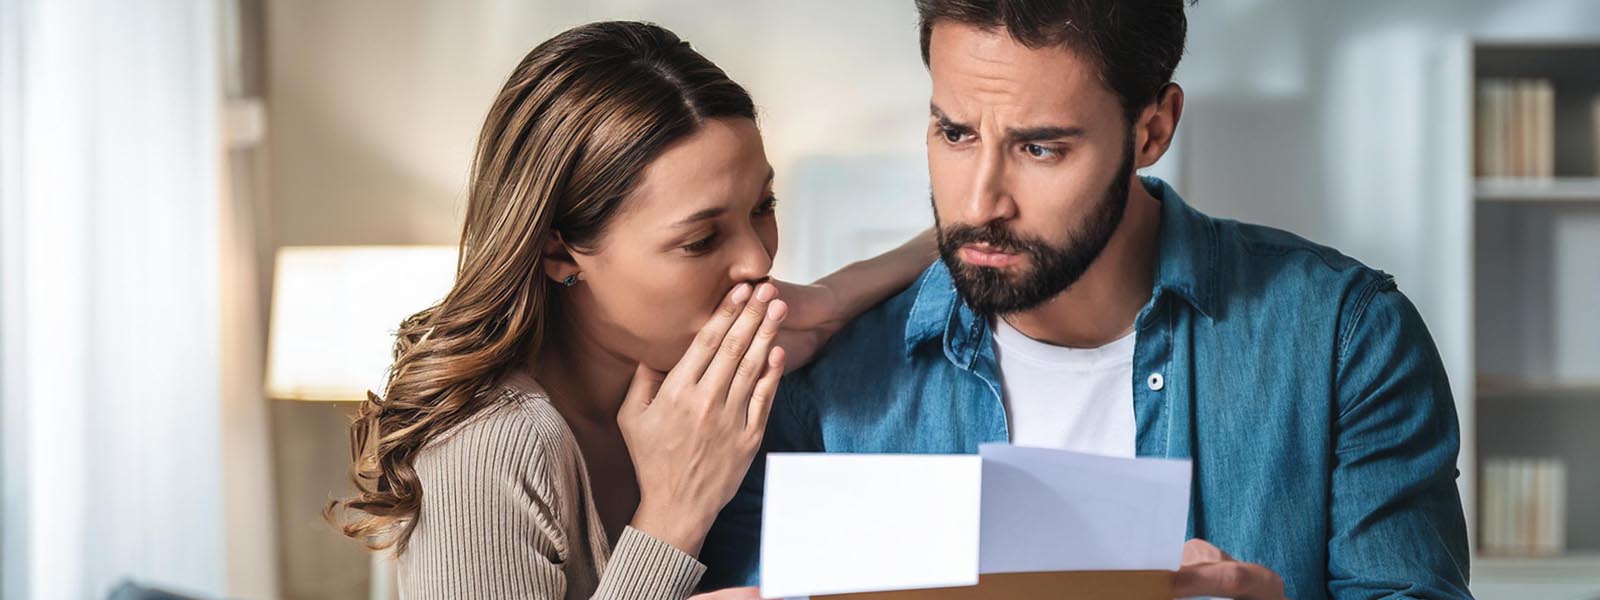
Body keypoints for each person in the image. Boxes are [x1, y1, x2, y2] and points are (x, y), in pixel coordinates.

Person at [702, 1, 1471, 599]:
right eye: (955, 133)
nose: (981, 201)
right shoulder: (823, 378)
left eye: (1041, 148)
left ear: (1152, 129)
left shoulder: (1345, 340)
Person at [326, 21, 934, 599]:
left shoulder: (696, 377)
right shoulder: (491, 450)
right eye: (699, 240)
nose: (757, 260)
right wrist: (674, 513)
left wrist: (828, 297)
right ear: (558, 249)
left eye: (762, 205)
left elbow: (857, 298)